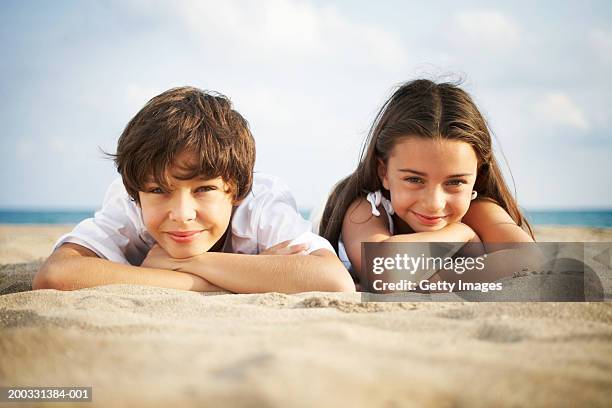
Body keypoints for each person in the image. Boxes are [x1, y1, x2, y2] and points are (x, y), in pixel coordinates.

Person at [33, 87, 355, 294]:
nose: (182, 214)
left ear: (237, 190)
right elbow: (57, 275)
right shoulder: (128, 202)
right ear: (136, 193)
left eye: (204, 189)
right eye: (159, 189)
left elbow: (335, 281)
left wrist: (184, 263)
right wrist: (230, 280)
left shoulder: (261, 204)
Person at [319, 79, 535, 286]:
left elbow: (530, 261)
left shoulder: (477, 208)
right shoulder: (366, 207)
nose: (434, 203)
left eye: (456, 182)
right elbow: (382, 269)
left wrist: (435, 280)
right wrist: (460, 234)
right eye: (414, 179)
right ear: (384, 172)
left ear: (477, 177)